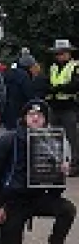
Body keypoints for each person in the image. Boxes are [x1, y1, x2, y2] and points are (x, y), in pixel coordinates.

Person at [0, 100, 76, 244]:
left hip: (39, 197)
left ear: (46, 120)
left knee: (67, 209)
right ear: (24, 118)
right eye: (31, 115)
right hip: (14, 199)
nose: (35, 118)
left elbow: (57, 190)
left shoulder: (54, 143)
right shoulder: (9, 140)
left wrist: (61, 173)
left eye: (39, 115)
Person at [46, 39, 79, 175]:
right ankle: (56, 163)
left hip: (69, 107)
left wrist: (57, 89)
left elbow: (75, 85)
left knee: (73, 138)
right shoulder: (53, 67)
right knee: (53, 137)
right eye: (57, 53)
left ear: (68, 53)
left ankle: (75, 165)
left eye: (61, 53)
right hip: (54, 107)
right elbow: (46, 83)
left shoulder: (75, 66)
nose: (59, 56)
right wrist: (52, 90)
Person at [1, 53, 37, 131]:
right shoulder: (24, 76)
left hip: (7, 108)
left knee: (11, 132)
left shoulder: (8, 72)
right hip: (20, 108)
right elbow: (28, 93)